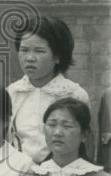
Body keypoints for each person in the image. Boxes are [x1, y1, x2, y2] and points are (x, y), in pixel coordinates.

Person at [8, 16, 89, 164]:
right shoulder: (11, 93)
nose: (30, 58)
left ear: (57, 56)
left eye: (39, 51)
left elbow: (86, 147)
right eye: (24, 50)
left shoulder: (75, 95)